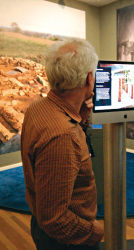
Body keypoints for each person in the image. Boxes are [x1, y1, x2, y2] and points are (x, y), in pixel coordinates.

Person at [21, 39, 104, 249]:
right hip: (68, 239)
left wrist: (81, 118)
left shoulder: (37, 107)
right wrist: (97, 232)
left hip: (40, 224)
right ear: (89, 78)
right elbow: (55, 220)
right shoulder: (63, 136)